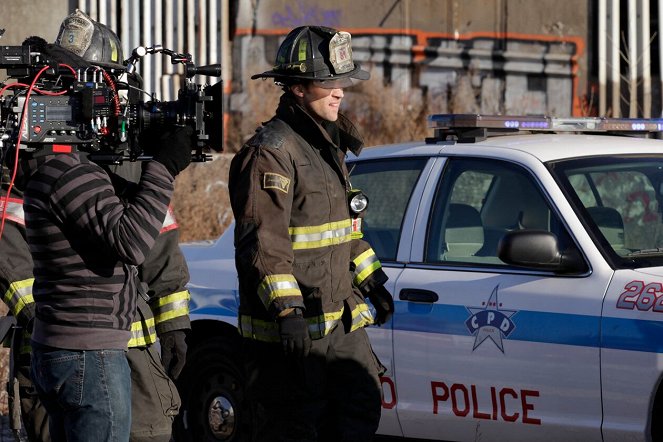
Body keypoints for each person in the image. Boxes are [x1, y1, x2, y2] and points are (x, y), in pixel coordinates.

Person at [0, 12, 193, 442]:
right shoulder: (48, 164)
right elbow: (130, 240)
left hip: (109, 349)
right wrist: (163, 167)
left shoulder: (106, 155)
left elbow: (159, 240)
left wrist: (174, 323)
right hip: (84, 350)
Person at [228, 25, 395, 441]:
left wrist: (371, 280)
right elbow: (264, 246)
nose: (339, 92)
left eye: (342, 82)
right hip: (293, 335)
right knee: (296, 427)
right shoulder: (271, 152)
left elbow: (341, 230)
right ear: (298, 88)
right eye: (328, 83)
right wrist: (288, 314)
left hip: (339, 320)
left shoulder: (325, 148)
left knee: (360, 408)